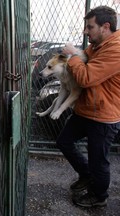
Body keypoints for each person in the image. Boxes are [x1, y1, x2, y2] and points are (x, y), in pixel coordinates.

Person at [59, 5, 120, 208]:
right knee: (64, 142)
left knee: (98, 161)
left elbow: (86, 77)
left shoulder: (116, 49)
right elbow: (79, 63)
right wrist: (75, 58)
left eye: (90, 27)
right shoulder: (95, 45)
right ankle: (86, 175)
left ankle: (98, 196)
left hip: (103, 115)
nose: (86, 31)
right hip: (85, 110)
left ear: (105, 26)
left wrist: (73, 56)